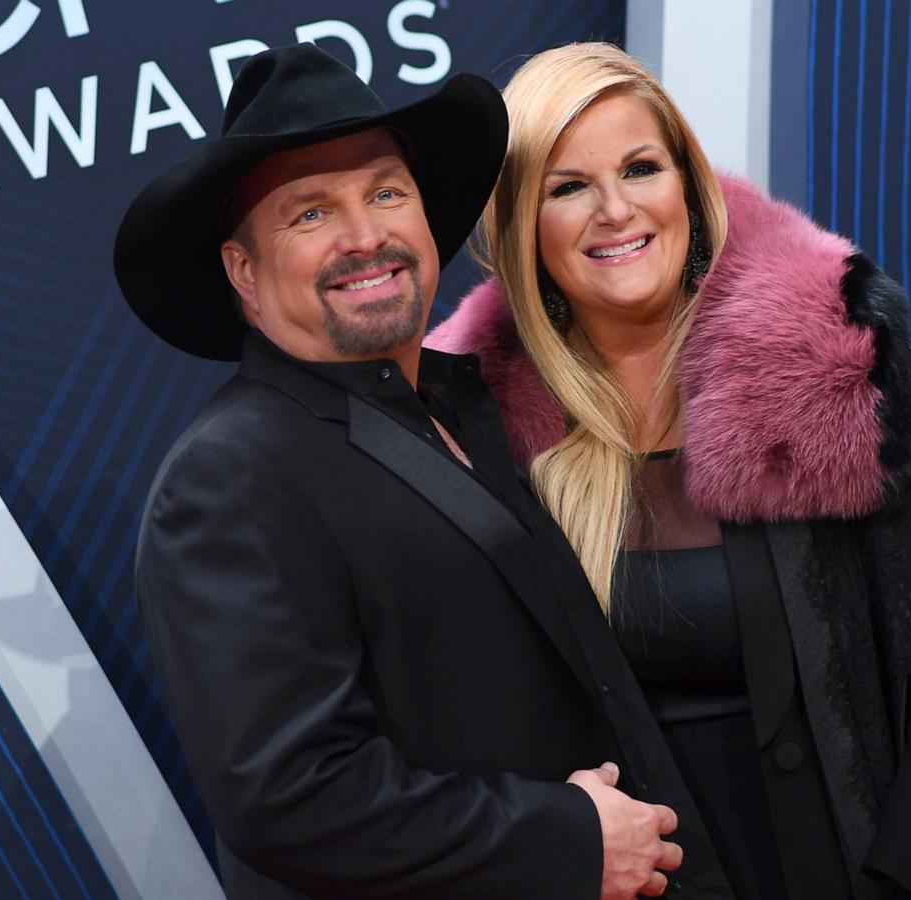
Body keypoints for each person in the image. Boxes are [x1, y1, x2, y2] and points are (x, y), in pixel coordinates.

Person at [429, 42, 911, 899]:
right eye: (569, 187)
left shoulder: (834, 368)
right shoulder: (474, 439)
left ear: (688, 185)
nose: (615, 209)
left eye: (641, 168)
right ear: (524, 224)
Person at [116, 44, 738, 898]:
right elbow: (291, 796)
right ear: (243, 274)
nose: (365, 235)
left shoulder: (474, 410)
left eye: (385, 192)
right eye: (309, 214)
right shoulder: (230, 476)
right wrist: (564, 840)